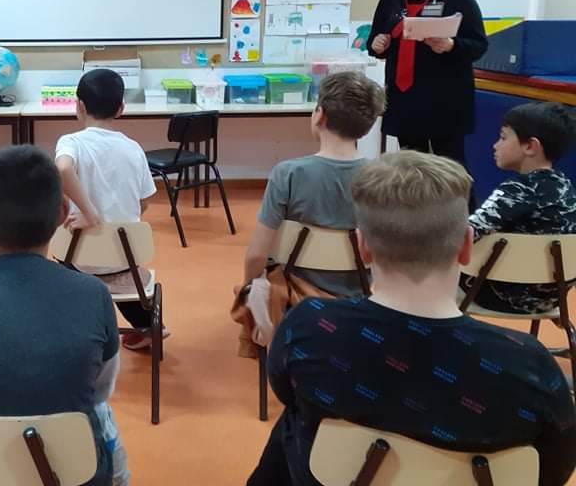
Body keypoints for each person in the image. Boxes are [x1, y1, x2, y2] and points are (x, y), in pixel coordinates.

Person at [247, 151, 576, 486]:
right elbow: (555, 469)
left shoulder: (309, 327)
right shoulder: (530, 365)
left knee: (297, 418)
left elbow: (285, 389)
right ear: (466, 245)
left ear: (362, 248)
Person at [0, 146, 122, 486]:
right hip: (73, 471)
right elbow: (100, 387)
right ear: (63, 213)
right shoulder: (93, 294)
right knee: (101, 415)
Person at [242, 72, 385, 326]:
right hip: (360, 296)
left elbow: (256, 256)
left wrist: (248, 288)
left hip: (297, 298)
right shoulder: (384, 177)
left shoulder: (288, 174)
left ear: (320, 115)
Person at [367, 0, 488, 170]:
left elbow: (479, 45)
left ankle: (458, 200)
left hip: (446, 98)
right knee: (411, 167)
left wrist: (452, 45)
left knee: (451, 167)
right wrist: (377, 45)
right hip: (406, 97)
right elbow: (376, 40)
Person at [54, 68, 159, 351]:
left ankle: (80, 328)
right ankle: (147, 325)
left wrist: (90, 214)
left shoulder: (71, 142)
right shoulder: (133, 149)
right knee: (124, 268)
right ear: (121, 108)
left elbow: (62, 168)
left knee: (65, 262)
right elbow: (143, 202)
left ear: (79, 105)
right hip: (124, 257)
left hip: (76, 259)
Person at [461, 101, 576, 313]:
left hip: (497, 296)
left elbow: (463, 236)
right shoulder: (567, 188)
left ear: (530, 146)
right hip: (553, 299)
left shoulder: (516, 190)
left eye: (503, 137)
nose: (495, 145)